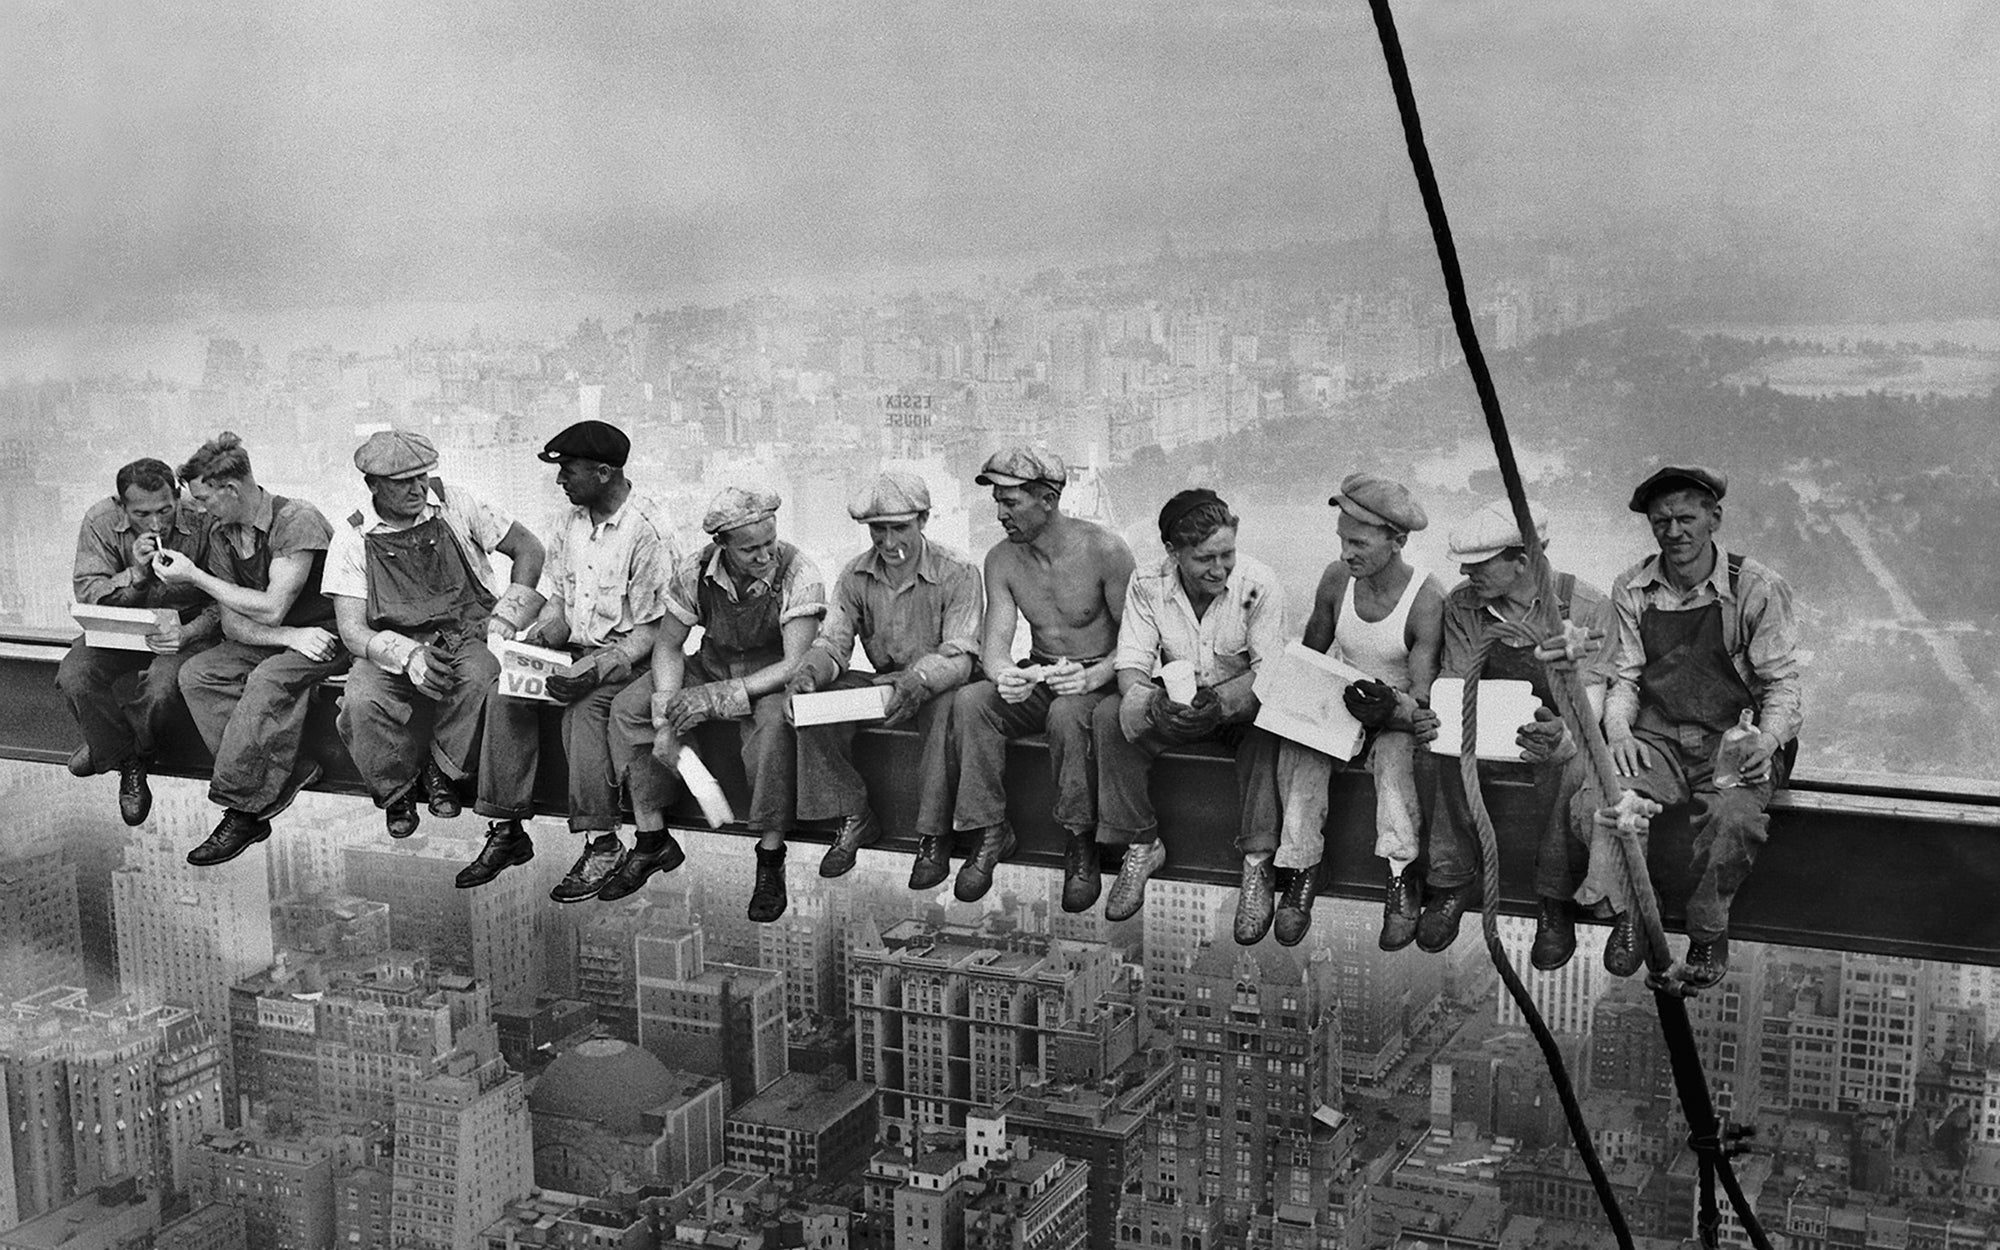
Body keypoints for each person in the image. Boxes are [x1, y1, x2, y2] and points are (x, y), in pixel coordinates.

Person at [1588, 466, 1803, 988]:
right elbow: (1626, 678)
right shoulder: (1633, 587)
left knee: (1733, 818)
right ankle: (1636, 912)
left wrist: (1769, 740)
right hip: (1659, 735)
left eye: (1686, 518)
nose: (1674, 532)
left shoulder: (1754, 587)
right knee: (1613, 800)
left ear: (1715, 520)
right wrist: (1618, 732)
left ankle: (1708, 930)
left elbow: (1783, 686)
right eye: (1661, 522)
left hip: (1735, 739)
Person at [460, 420, 674, 904]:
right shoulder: (569, 523)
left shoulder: (648, 532)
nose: (561, 482)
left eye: (568, 471)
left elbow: (653, 630)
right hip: (575, 651)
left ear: (603, 472)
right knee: (506, 693)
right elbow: (559, 601)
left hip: (626, 660)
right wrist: (536, 643)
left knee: (585, 712)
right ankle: (506, 826)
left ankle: (601, 843)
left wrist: (597, 669)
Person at [610, 485, 825, 921]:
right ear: (721, 545)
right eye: (750, 550)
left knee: (772, 730)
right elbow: (669, 646)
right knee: (629, 708)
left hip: (769, 678)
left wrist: (715, 699)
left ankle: (769, 856)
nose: (764, 555)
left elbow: (794, 662)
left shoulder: (801, 574)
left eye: (770, 543)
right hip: (712, 663)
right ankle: (652, 837)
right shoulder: (695, 571)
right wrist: (666, 715)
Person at [1417, 500, 1610, 970]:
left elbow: (1593, 693)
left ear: (1522, 561)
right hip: (1489, 721)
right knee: (1442, 753)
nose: (1465, 572)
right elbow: (1458, 681)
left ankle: (1553, 898)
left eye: (1478, 565)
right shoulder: (1464, 605)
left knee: (1569, 766)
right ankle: (1452, 878)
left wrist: (1563, 736)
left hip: (1557, 727)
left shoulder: (1586, 606)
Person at [326, 430, 547, 840]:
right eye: (402, 482)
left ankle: (441, 769)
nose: (417, 488)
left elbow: (528, 548)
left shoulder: (456, 503)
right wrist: (406, 656)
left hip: (465, 634)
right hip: (393, 644)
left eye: (422, 476)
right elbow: (352, 630)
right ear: (373, 485)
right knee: (361, 699)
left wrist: (506, 617)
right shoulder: (352, 537)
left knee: (481, 679)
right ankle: (398, 789)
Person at [951, 447, 1134, 908]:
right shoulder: (1002, 560)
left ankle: (1080, 841)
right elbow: (996, 642)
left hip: (1099, 677)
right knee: (972, 702)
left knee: (1068, 715)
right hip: (1041, 669)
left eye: (1011, 502)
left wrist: (1093, 678)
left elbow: (1137, 642)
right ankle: (991, 829)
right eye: (997, 501)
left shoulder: (1106, 551)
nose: (1000, 514)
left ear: (1048, 499)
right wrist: (1004, 674)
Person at [1096, 489, 1287, 931]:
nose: (1220, 569)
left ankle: (1258, 862)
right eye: (1205, 558)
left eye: (1227, 554)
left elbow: (1268, 672)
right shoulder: (1147, 585)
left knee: (1268, 730)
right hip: (1177, 702)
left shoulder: (1258, 584)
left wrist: (1221, 704)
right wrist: (1155, 703)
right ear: (1173, 552)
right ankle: (1142, 844)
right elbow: (1131, 665)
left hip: (1239, 706)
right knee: (1110, 718)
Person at [156, 433, 349, 866]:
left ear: (232, 489)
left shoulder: (296, 520)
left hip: (327, 635)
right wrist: (286, 638)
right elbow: (232, 621)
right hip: (286, 638)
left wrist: (196, 577)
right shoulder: (224, 534)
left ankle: (242, 810)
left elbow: (271, 605)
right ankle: (287, 769)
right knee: (199, 674)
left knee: (266, 680)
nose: (201, 509)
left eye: (205, 499)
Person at [1271, 473, 1444, 947]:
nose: (1347, 553)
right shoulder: (1335, 578)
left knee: (1393, 761)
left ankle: (1401, 872)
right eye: (1343, 540)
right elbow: (1311, 657)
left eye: (1359, 543)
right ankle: (1303, 863)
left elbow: (1423, 694)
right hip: (1345, 697)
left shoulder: (1426, 600)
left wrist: (1392, 709)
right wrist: (1300, 707)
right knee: (1301, 747)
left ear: (1398, 541)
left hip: (1394, 712)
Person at [786, 470, 981, 885]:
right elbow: (834, 644)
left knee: (946, 709)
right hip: (884, 687)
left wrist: (917, 680)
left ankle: (933, 834)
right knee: (812, 710)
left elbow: (960, 657)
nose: (889, 543)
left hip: (938, 684)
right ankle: (854, 812)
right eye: (879, 530)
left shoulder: (958, 573)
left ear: (923, 521)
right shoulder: (856, 575)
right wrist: (808, 675)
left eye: (899, 529)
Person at [59, 458, 220, 826]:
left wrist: (188, 633)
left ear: (177, 496)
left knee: (163, 689)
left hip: (183, 629)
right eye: (141, 513)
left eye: (165, 509)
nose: (156, 523)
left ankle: (113, 748)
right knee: (75, 675)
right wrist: (136, 575)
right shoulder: (100, 521)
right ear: (121, 506)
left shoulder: (202, 520)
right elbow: (88, 593)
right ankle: (125, 758)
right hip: (118, 628)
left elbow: (221, 599)